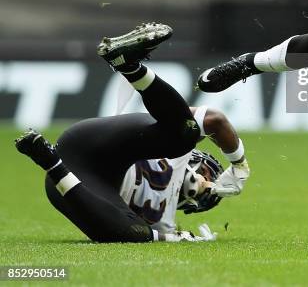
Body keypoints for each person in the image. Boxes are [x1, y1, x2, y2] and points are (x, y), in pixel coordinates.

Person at [16, 23, 250, 243]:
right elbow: (215, 120)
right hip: (93, 147)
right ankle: (129, 65)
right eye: (210, 177)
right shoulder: (180, 155)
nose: (207, 186)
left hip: (74, 185)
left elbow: (132, 230)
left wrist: (171, 237)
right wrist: (239, 165)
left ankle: (48, 160)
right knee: (185, 135)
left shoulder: (163, 223)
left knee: (129, 232)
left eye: (207, 196)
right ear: (201, 160)